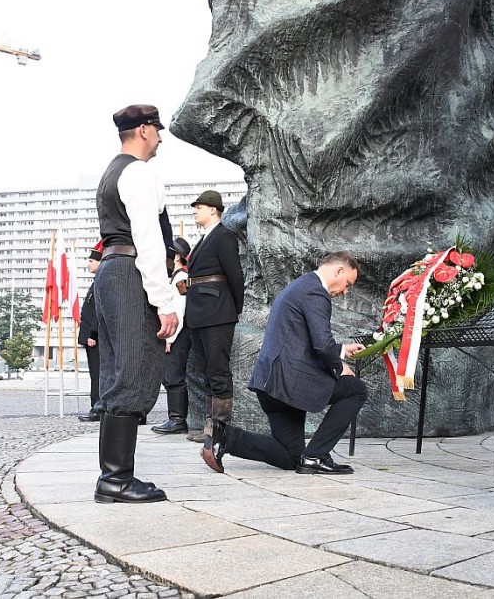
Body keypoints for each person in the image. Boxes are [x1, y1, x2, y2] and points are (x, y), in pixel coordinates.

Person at [202, 251, 367, 475]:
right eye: (347, 283)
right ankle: (316, 456)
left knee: (292, 457)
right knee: (355, 390)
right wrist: (340, 367)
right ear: (338, 270)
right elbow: (321, 343)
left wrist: (340, 349)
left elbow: (299, 338)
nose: (345, 291)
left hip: (272, 384)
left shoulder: (300, 285)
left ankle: (225, 435)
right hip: (290, 383)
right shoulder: (316, 292)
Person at [92, 104, 178, 504]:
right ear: (143, 130)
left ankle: (114, 476)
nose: (160, 138)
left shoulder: (111, 171)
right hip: (130, 273)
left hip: (112, 272)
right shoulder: (139, 172)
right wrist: (165, 302)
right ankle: (115, 479)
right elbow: (148, 240)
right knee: (134, 368)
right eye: (157, 130)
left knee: (117, 370)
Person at [184, 190, 245, 460]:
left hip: (218, 313)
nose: (195, 211)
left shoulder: (223, 236)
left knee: (218, 372)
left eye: (199, 207)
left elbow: (235, 275)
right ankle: (211, 426)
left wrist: (235, 309)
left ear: (213, 209)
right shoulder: (204, 240)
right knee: (207, 371)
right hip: (199, 313)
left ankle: (219, 430)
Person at [152, 237, 193, 434]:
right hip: (179, 334)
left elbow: (180, 310)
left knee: (173, 376)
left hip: (178, 334)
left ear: (177, 257)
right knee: (172, 376)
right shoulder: (177, 276)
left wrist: (170, 338)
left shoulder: (179, 278)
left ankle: (177, 420)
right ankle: (175, 418)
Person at [77, 241, 103, 422]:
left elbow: (98, 311)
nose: (89, 264)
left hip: (95, 337)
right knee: (94, 374)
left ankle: (97, 408)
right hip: (89, 336)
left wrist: (94, 334)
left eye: (91, 261)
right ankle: (96, 405)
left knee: (98, 374)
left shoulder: (101, 281)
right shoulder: (96, 281)